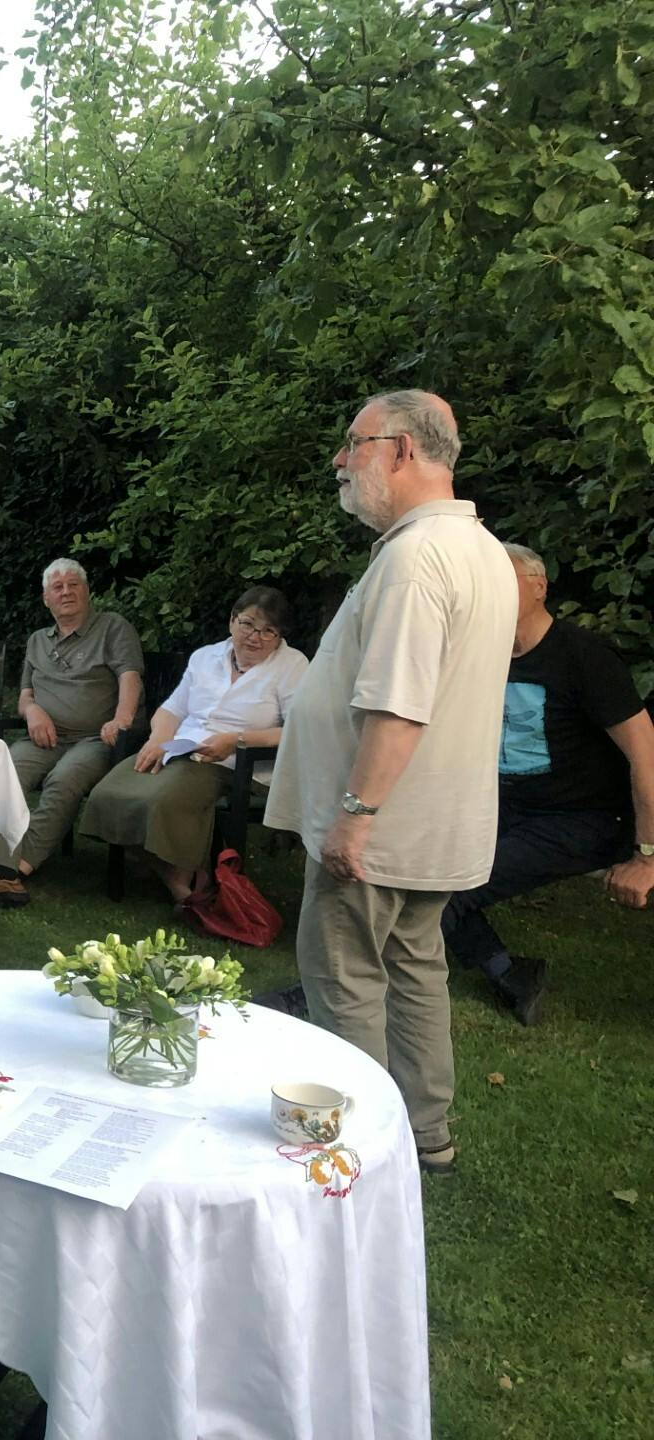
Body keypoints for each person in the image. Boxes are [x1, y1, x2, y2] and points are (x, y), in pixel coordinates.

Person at [265, 389, 516, 1177]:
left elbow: (399, 707)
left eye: (355, 443)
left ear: (403, 450)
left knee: (345, 982)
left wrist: (355, 813)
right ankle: (425, 1137)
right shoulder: (482, 550)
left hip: (383, 829)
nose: (342, 461)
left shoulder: (415, 559)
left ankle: (357, 1150)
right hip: (432, 825)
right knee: (416, 973)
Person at [439, 543, 654, 1025]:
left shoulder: (583, 657)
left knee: (449, 891)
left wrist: (647, 855)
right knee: (426, 872)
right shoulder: (480, 653)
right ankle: (509, 972)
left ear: (539, 587)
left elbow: (646, 751)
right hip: (501, 806)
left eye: (504, 579)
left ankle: (339, 994)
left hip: (582, 819)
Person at [83, 586, 309, 903]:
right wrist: (159, 739)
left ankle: (181, 888)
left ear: (279, 635)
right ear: (232, 621)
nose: (255, 637)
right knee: (110, 792)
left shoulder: (291, 665)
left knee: (164, 800)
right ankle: (166, 867)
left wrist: (236, 740)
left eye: (268, 631)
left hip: (236, 763)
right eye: (247, 624)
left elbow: (298, 730)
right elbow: (172, 709)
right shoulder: (206, 656)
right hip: (179, 748)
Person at [0, 558, 144, 906]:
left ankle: (16, 870)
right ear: (46, 599)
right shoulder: (38, 640)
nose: (66, 591)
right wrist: (34, 711)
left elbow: (129, 677)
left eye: (74, 585)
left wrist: (121, 720)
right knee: (4, 772)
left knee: (64, 779)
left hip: (95, 738)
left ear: (87, 592)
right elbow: (25, 695)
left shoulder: (112, 627)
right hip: (45, 736)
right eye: (58, 587)